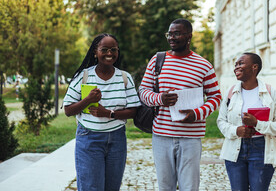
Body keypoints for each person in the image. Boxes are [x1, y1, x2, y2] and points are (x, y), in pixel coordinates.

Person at [138, 18, 222, 191]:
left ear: (189, 36)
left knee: (190, 187)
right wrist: (160, 99)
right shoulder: (157, 60)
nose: (171, 37)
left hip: (190, 138)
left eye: (177, 33)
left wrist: (197, 113)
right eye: (169, 33)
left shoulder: (203, 65)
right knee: (165, 186)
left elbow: (215, 97)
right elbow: (143, 92)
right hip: (161, 135)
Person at [63, 33, 141, 191]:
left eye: (114, 49)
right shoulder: (83, 76)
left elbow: (133, 110)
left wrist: (108, 113)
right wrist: (88, 100)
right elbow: (68, 110)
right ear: (95, 52)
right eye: (104, 49)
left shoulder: (125, 78)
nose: (109, 53)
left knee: (112, 188)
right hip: (89, 139)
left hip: (117, 139)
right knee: (91, 187)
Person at [217, 52, 276, 191]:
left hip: (261, 149)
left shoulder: (269, 92)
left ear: (254, 67)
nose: (236, 67)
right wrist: (236, 130)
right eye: (236, 64)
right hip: (234, 150)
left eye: (241, 63)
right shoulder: (231, 92)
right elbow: (221, 121)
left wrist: (258, 124)